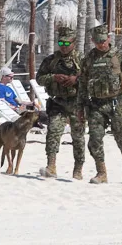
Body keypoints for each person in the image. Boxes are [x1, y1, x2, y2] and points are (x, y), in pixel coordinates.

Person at [78, 24, 122, 184]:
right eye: (98, 42)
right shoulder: (89, 59)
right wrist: (81, 107)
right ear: (92, 41)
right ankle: (101, 173)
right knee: (94, 139)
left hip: (117, 103)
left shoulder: (120, 56)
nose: (101, 44)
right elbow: (82, 84)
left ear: (109, 38)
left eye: (104, 41)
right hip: (96, 105)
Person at [37, 25, 86, 180]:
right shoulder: (51, 61)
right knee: (53, 133)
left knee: (78, 137)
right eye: (61, 43)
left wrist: (76, 79)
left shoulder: (83, 60)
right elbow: (39, 79)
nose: (64, 47)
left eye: (67, 43)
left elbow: (92, 79)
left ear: (74, 42)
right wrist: (53, 77)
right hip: (57, 102)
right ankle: (51, 165)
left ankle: (78, 169)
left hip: (76, 103)